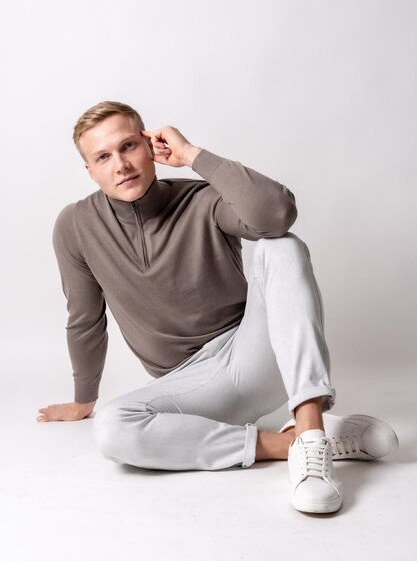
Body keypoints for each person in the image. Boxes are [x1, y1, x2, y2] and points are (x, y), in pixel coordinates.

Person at [38, 101, 398, 514]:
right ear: (90, 169)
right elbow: (84, 316)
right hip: (190, 386)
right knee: (112, 428)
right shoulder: (76, 225)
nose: (120, 164)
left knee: (281, 245)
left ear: (150, 144)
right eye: (103, 156)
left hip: (257, 355)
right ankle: (290, 443)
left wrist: (193, 155)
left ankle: (312, 432)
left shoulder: (202, 200)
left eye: (129, 146)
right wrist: (84, 399)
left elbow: (277, 215)